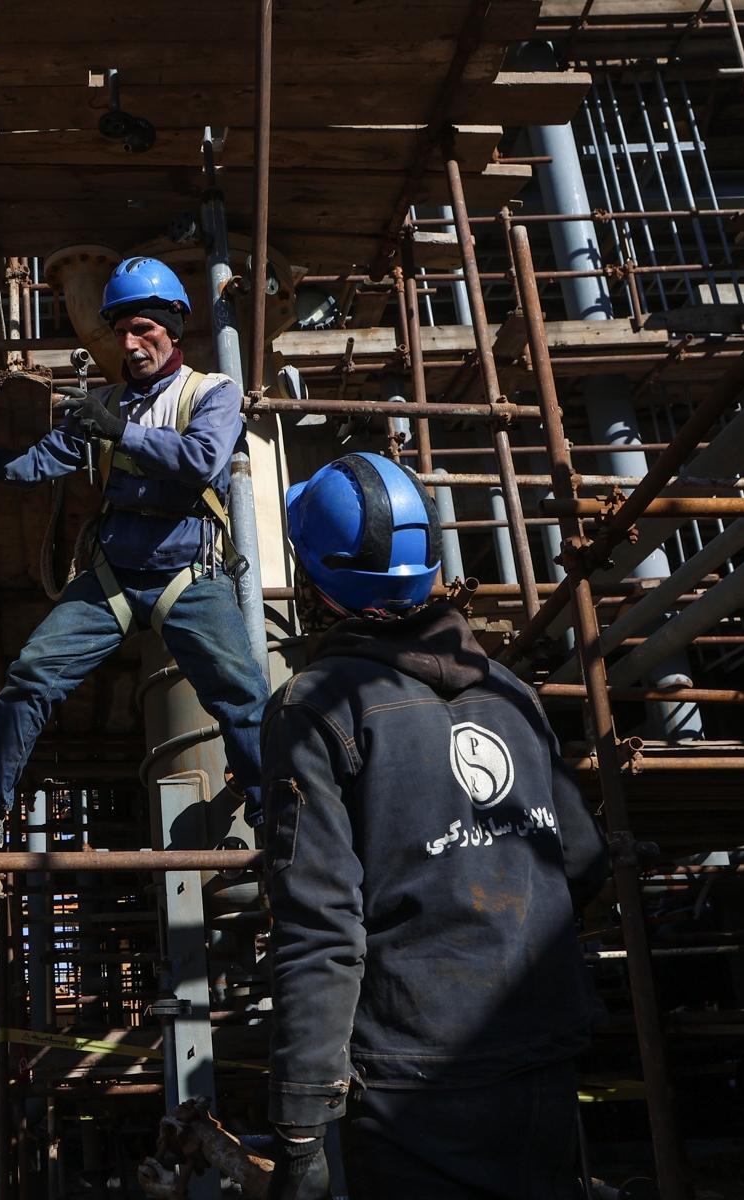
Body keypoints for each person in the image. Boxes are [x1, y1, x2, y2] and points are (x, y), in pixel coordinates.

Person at [261, 452, 609, 1199]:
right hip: (540, 1051)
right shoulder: (513, 692)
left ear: (314, 580)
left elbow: (322, 928)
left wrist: (300, 1121)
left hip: (417, 1078)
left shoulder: (316, 705)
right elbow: (581, 860)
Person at [0, 257, 272, 850]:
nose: (131, 342)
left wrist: (117, 431)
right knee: (29, 677)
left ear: (173, 325)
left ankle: (271, 812)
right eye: (122, 330)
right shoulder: (109, 403)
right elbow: (38, 462)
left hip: (191, 576)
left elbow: (202, 459)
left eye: (144, 327)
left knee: (244, 698)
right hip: (115, 576)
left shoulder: (213, 393)